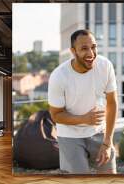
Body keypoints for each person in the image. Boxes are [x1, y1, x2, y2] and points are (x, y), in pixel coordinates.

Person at [48, 29, 118, 174]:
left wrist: (108, 141)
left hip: (99, 131)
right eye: (84, 49)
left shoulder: (105, 66)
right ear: (73, 51)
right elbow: (56, 115)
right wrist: (84, 119)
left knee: (110, 178)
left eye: (93, 47)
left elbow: (112, 103)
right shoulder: (59, 76)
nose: (91, 54)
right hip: (69, 135)